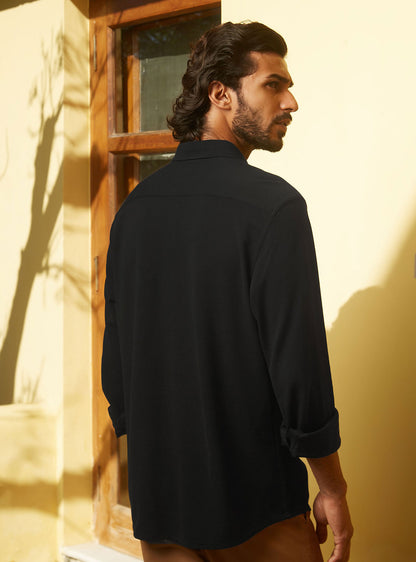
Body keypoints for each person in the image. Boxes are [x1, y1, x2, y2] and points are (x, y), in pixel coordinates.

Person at [101, 21, 353, 562]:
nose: (290, 102)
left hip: (162, 506)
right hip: (255, 508)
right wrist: (331, 486)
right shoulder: (274, 207)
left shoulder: (134, 210)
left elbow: (117, 371)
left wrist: (159, 461)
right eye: (273, 85)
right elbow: (300, 370)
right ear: (220, 93)